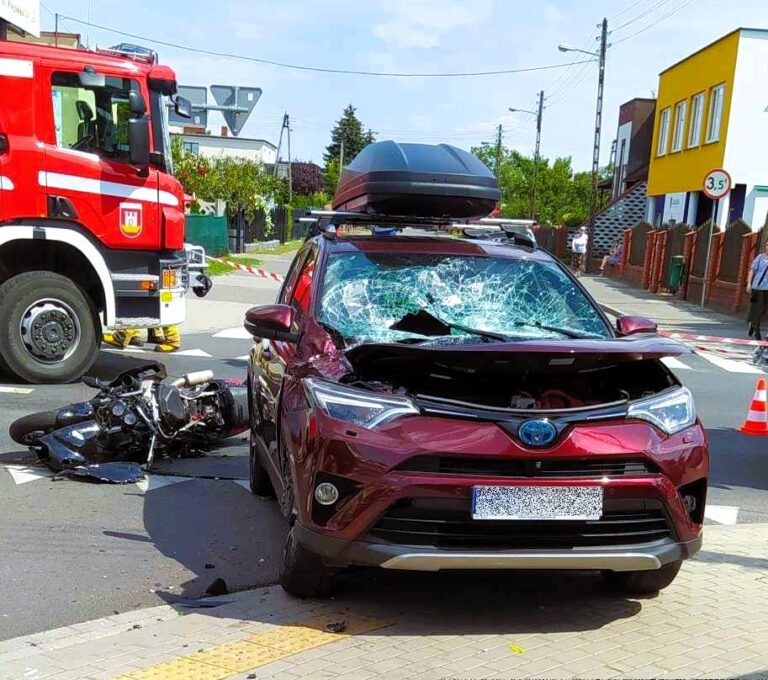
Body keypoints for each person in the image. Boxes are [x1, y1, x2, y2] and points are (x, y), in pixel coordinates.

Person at [747, 240, 768, 341]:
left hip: (767, 290)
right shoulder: (760, 258)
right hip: (757, 288)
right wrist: (749, 284)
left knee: (763, 310)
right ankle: (757, 331)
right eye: (767, 245)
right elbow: (752, 270)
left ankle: (753, 324)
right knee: (758, 309)